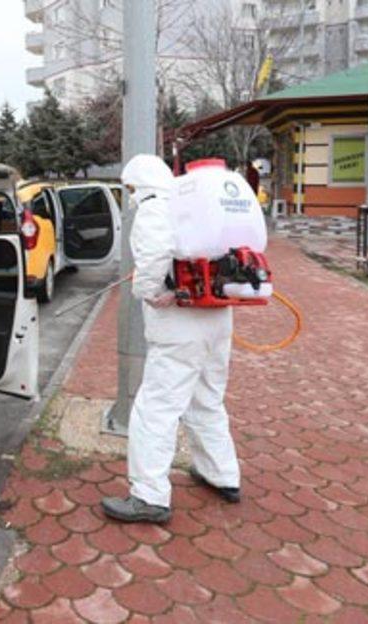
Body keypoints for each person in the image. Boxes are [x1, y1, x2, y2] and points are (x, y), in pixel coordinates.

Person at [101, 154, 242, 525]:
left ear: (138, 185)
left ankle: (148, 496)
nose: (130, 194)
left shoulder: (154, 208)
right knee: (207, 398)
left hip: (180, 324)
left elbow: (155, 256)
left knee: (156, 407)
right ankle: (222, 475)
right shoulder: (197, 205)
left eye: (130, 187)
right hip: (217, 317)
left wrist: (147, 291)